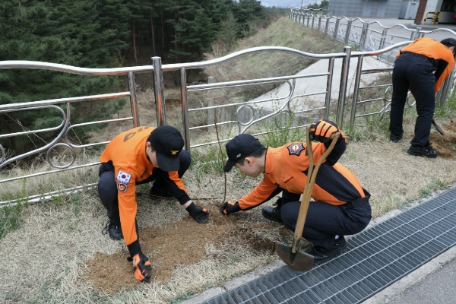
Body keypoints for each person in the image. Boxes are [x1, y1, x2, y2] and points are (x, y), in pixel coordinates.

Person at [220, 119, 371, 265]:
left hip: (353, 214)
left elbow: (331, 149)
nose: (240, 172)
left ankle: (333, 243)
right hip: (340, 209)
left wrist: (332, 133)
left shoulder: (290, 155)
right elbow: (261, 193)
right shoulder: (272, 168)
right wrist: (237, 206)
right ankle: (284, 213)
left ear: (248, 161)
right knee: (287, 185)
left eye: (238, 167)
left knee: (289, 213)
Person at [97, 125, 209, 282]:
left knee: (183, 158)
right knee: (108, 186)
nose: (167, 164)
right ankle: (115, 221)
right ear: (149, 146)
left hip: (146, 166)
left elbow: (173, 177)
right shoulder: (126, 166)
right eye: (164, 160)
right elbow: (128, 208)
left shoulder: (163, 140)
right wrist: (135, 254)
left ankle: (159, 191)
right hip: (114, 169)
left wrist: (191, 207)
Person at [389, 37, 456, 158]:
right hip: (421, 67)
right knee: (426, 110)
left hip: (400, 64)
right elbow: (437, 82)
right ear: (453, 49)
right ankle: (418, 146)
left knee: (397, 101)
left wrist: (414, 85)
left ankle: (395, 134)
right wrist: (424, 96)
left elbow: (399, 55)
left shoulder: (424, 40)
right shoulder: (449, 55)